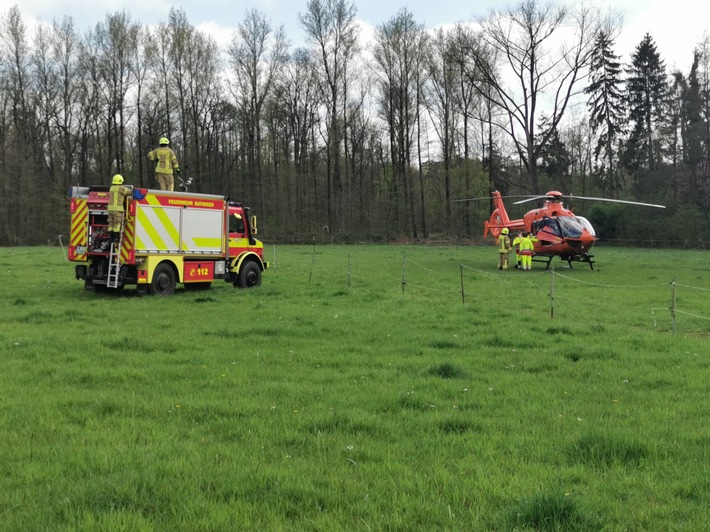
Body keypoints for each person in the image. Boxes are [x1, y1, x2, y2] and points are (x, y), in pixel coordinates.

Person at [108, 174, 133, 244]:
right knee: (117, 223)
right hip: (117, 209)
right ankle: (117, 238)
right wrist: (132, 189)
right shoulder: (120, 188)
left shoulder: (111, 188)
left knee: (111, 223)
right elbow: (129, 192)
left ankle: (111, 238)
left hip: (110, 209)